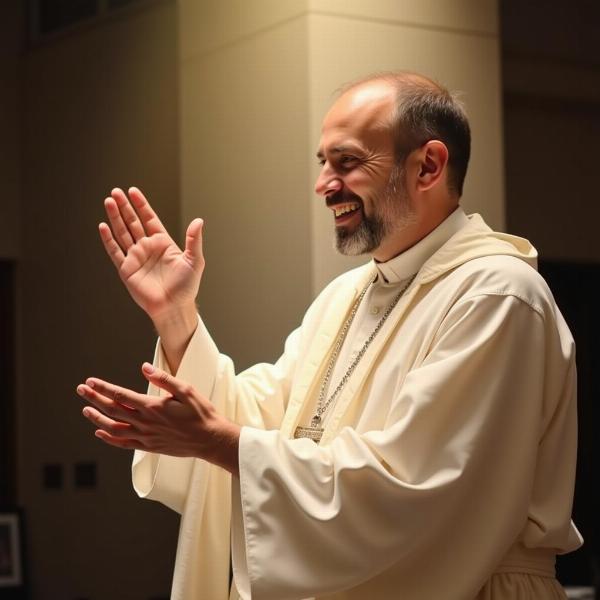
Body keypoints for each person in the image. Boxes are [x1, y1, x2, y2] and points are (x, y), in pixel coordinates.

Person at [76, 72, 582, 599]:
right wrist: (177, 316)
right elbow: (263, 418)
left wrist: (217, 441)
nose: (323, 185)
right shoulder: (348, 295)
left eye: (347, 162)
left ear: (428, 166)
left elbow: (416, 493)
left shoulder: (497, 294)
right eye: (323, 163)